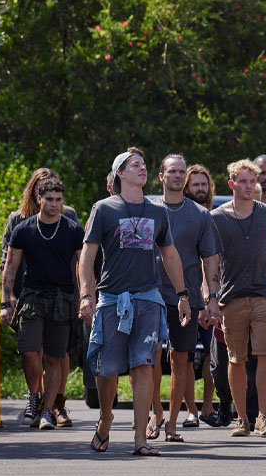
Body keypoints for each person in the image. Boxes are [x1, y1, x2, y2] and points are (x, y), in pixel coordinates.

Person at [79, 148, 191, 455]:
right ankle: (106, 418)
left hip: (148, 299)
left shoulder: (157, 212)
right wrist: (86, 295)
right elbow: (87, 256)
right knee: (107, 369)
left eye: (143, 164)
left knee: (144, 365)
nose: (143, 168)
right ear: (120, 173)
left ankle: (140, 438)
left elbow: (170, 255)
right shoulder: (104, 209)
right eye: (135, 165)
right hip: (112, 299)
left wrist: (182, 295)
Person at [0, 168, 82, 428]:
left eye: (58, 199)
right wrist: (5, 300)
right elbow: (9, 266)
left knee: (55, 357)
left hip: (62, 298)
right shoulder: (22, 227)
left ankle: (49, 410)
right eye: (49, 199)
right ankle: (34, 396)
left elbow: (83, 266)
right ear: (38, 198)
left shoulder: (72, 228)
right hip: (31, 296)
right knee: (28, 351)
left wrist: (85, 297)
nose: (55, 204)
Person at [210, 159, 266, 437]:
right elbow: (211, 262)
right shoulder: (217, 217)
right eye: (243, 181)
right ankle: (242, 418)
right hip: (231, 297)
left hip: (264, 294)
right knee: (236, 358)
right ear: (232, 184)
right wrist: (211, 298)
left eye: (252, 181)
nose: (249, 186)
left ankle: (262, 417)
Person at [154, 154, 222, 442]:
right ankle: (155, 414)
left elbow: (211, 258)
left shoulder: (200, 214)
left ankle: (172, 424)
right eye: (172, 171)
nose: (178, 175)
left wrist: (212, 298)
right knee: (149, 358)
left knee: (180, 358)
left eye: (182, 171)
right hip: (151, 295)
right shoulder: (149, 210)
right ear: (161, 176)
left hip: (188, 298)